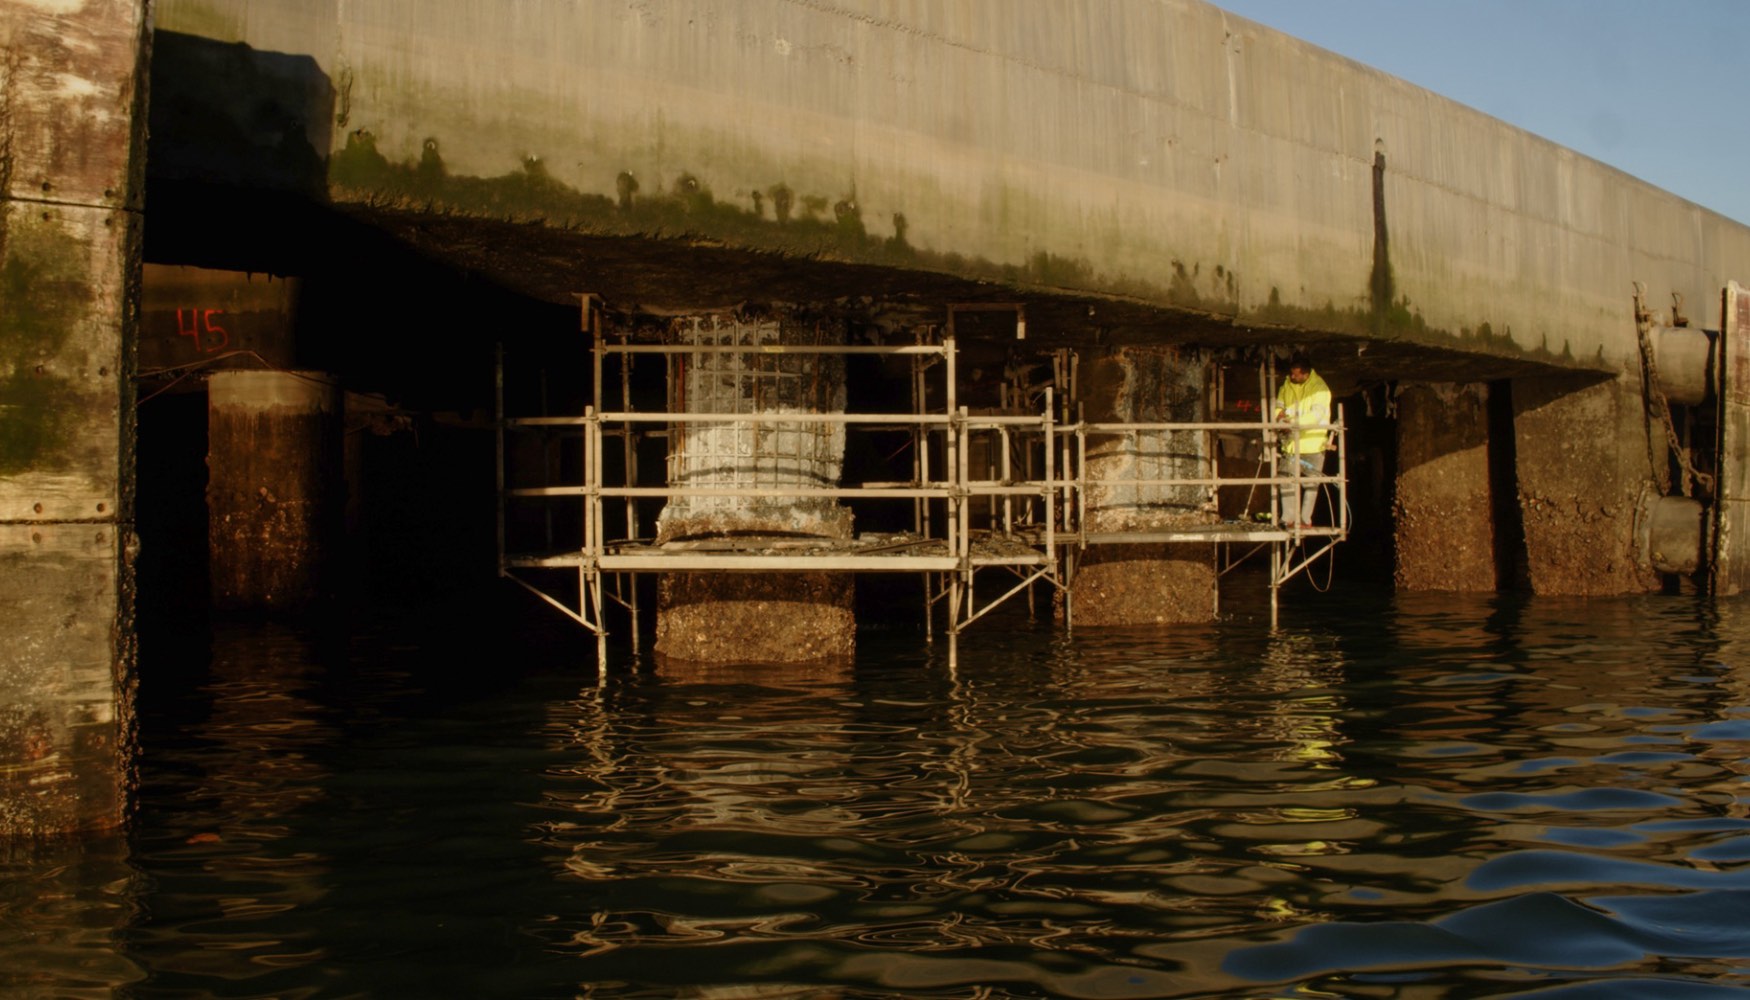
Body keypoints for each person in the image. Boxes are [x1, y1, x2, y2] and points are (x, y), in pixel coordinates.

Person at [1274, 354, 1333, 528]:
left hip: (1313, 444)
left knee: (1311, 483)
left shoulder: (1320, 389)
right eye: (1292, 374)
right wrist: (1279, 416)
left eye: (1297, 375)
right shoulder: (1286, 385)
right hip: (1291, 444)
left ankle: (1305, 519)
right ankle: (1288, 517)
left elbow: (1316, 415)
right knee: (1286, 480)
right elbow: (1278, 406)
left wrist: (1291, 423)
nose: (1293, 377)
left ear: (1306, 374)